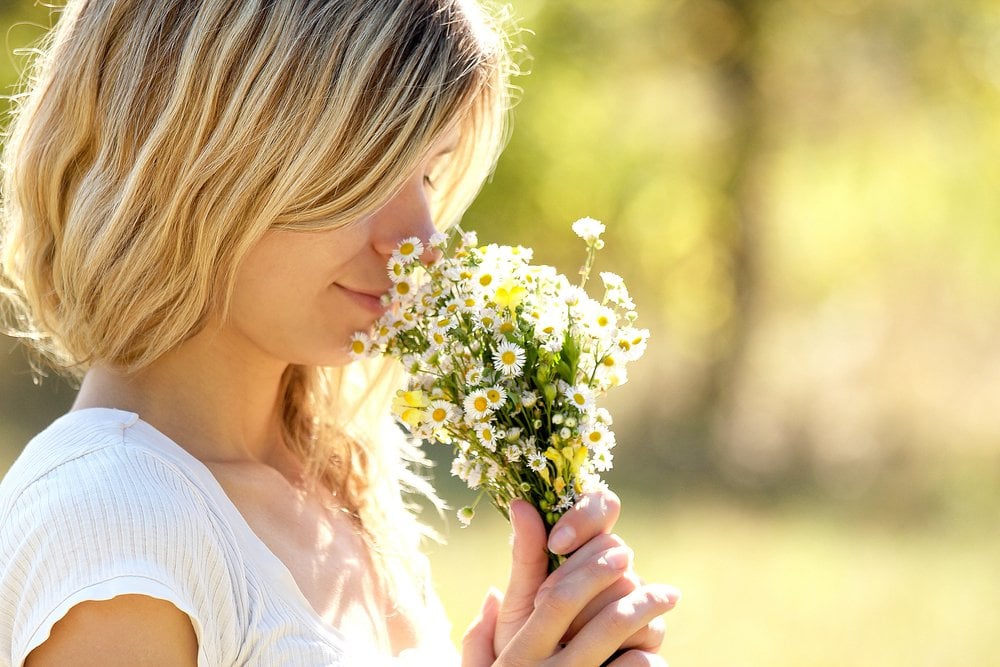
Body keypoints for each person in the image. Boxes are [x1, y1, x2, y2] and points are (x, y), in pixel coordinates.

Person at [0, 1, 680, 665]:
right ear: (196, 153)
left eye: (427, 173)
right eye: (366, 170)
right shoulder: (111, 524)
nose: (421, 240)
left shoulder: (341, 484)